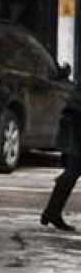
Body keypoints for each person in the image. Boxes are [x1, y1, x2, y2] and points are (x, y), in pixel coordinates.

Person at [40, 81, 81, 232]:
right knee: (73, 170)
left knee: (73, 170)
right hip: (76, 121)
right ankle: (52, 212)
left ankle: (52, 212)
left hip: (74, 118)